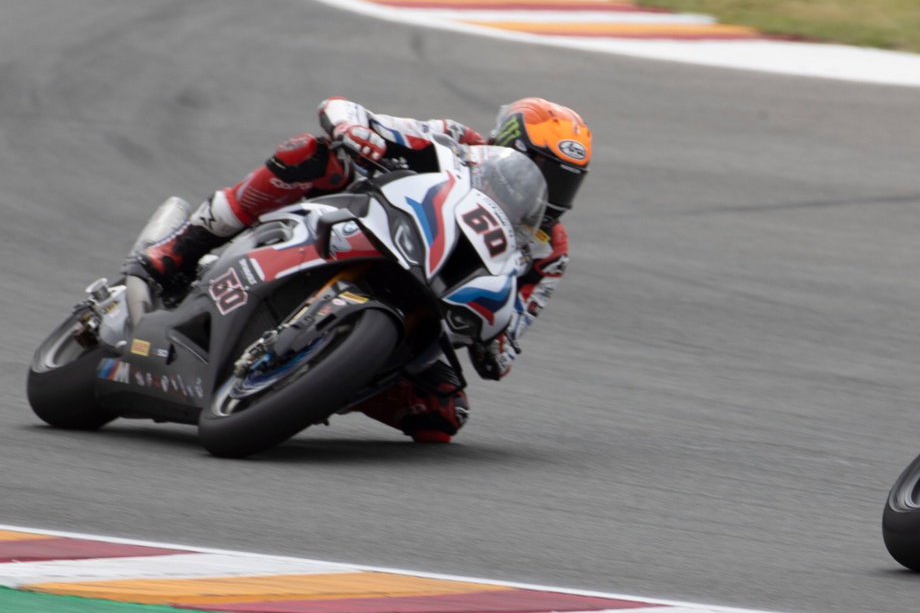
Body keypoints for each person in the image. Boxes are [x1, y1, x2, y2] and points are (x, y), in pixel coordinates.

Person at [128, 96, 592, 443]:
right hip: (373, 226)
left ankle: (318, 379)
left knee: (441, 417)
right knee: (310, 153)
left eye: (568, 181)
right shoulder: (457, 142)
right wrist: (356, 131)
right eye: (545, 172)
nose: (554, 192)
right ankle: (182, 248)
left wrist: (496, 342)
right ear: (508, 146)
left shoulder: (551, 251)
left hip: (431, 309)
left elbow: (512, 340)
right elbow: (346, 110)